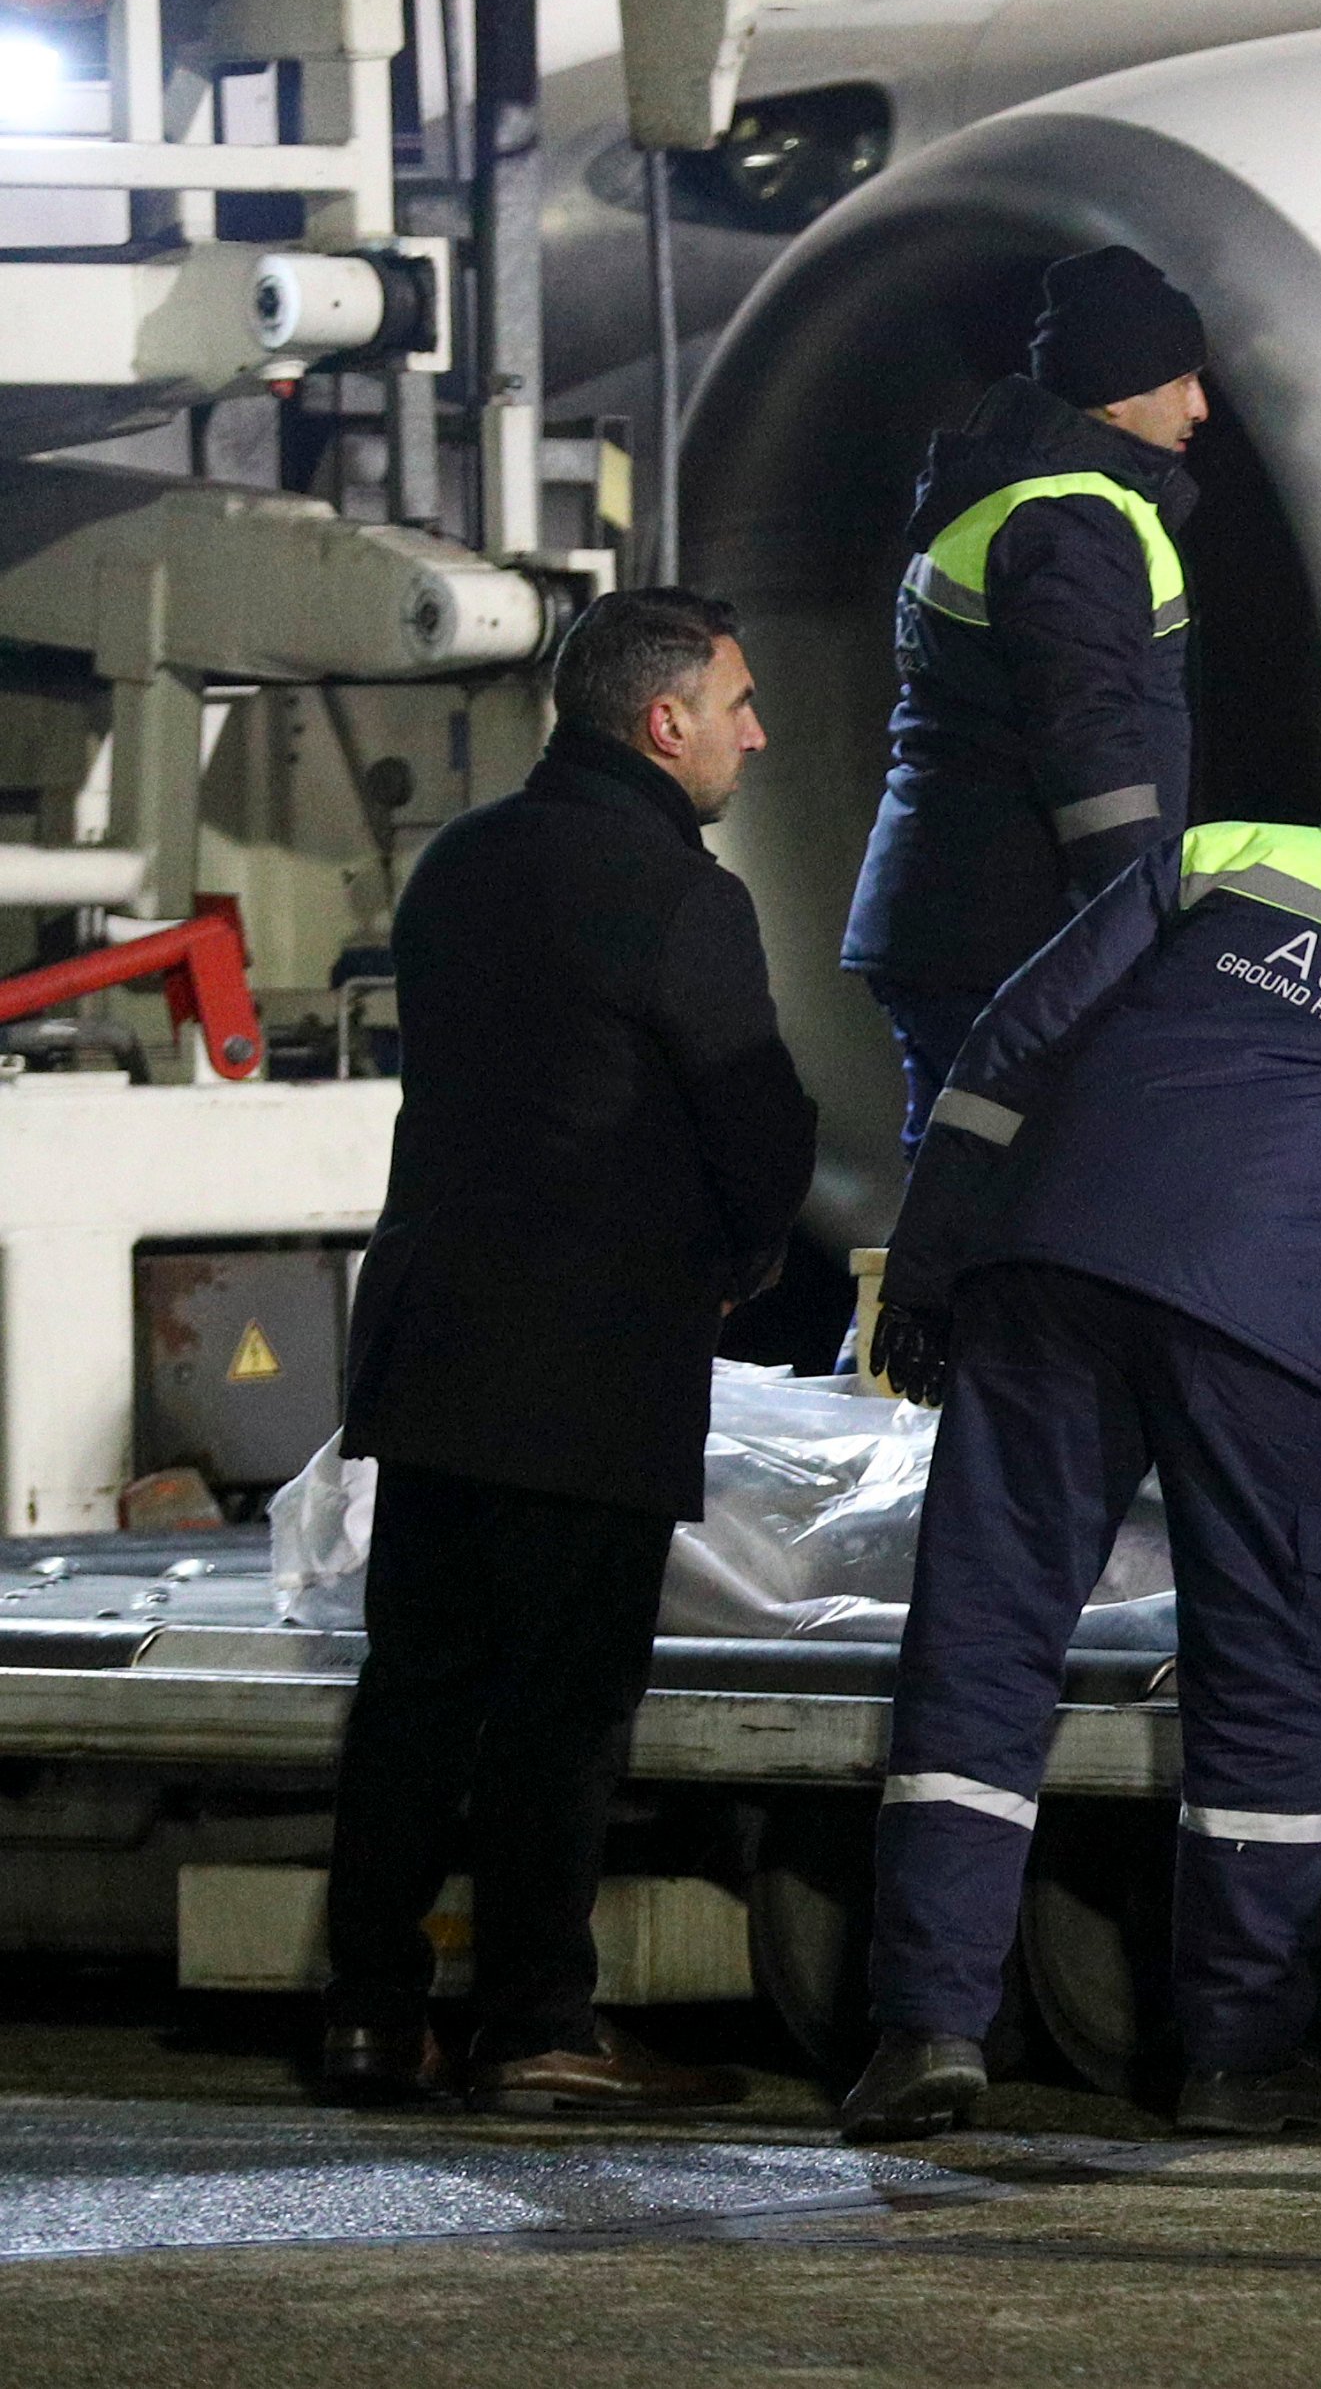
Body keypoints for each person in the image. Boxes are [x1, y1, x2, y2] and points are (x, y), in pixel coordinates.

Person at [837, 687, 1321, 2143]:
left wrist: (930, 1272)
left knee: (985, 1637)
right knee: (1267, 1677)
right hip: (1281, 1328)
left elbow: (1006, 1048)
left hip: (1054, 1265)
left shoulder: (1232, 853)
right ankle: (1237, 2054)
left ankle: (924, 2028)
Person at [319, 588, 815, 2114]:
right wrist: (740, 1257)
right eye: (735, 702)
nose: (757, 729)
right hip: (590, 1364)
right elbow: (760, 1124)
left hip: (431, 1347)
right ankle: (537, 2015)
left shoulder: (458, 865)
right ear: (662, 724)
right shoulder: (681, 897)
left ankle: (367, 2014)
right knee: (559, 1710)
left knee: (414, 1693)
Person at [842, 244, 1211, 1153]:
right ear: (1119, 393)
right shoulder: (1072, 519)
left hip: (959, 915)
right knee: (1022, 1196)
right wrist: (1135, 919)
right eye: (1181, 379)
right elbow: (1090, 740)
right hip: (1011, 930)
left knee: (958, 1185)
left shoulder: (1008, 496)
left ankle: (914, 1302)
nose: (1199, 406)